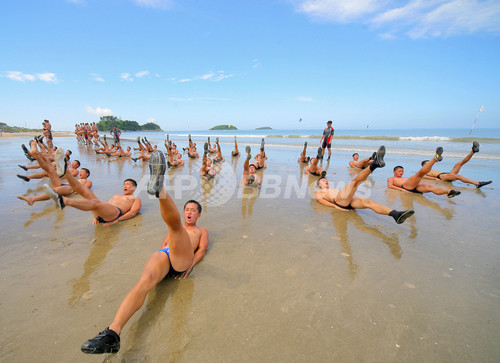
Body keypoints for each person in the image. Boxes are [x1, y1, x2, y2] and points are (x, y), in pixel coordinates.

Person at [80, 151, 208, 354]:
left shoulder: (200, 231)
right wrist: (160, 257)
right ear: (184, 212)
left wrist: (192, 264)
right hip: (165, 255)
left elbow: (200, 251)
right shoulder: (179, 223)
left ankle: (160, 189)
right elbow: (164, 243)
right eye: (187, 209)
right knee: (144, 281)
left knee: (176, 228)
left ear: (199, 214)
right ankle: (113, 333)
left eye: (193, 210)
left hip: (184, 259)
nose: (190, 212)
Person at [315, 146, 414, 224]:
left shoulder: (334, 189)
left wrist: (351, 197)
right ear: (319, 185)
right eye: (323, 180)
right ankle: (374, 164)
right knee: (354, 183)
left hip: (348, 201)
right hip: (338, 202)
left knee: (369, 203)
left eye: (326, 180)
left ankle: (395, 214)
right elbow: (320, 200)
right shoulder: (319, 191)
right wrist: (336, 207)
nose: (326, 181)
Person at [44, 148, 142, 225]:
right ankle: (65, 170)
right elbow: (104, 207)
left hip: (115, 214)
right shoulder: (116, 195)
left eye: (128, 184)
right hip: (104, 213)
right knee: (85, 192)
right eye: (124, 184)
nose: (125, 186)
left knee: (95, 202)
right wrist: (96, 217)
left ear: (134, 188)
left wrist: (117, 221)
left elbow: (133, 212)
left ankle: (64, 201)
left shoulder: (135, 198)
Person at [387, 147, 461, 198]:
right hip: (406, 187)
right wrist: (403, 190)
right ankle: (435, 159)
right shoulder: (391, 178)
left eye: (402, 171)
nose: (401, 172)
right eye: (399, 171)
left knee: (431, 187)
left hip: (415, 187)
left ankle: (449, 192)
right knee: (419, 174)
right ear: (394, 171)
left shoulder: (405, 178)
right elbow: (390, 186)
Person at [421, 141, 492, 188]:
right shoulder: (424, 170)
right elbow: (423, 176)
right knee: (459, 176)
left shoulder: (430, 169)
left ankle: (473, 151)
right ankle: (477, 183)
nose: (430, 163)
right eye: (428, 162)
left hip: (446, 174)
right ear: (424, 165)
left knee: (459, 163)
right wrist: (436, 179)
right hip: (442, 176)